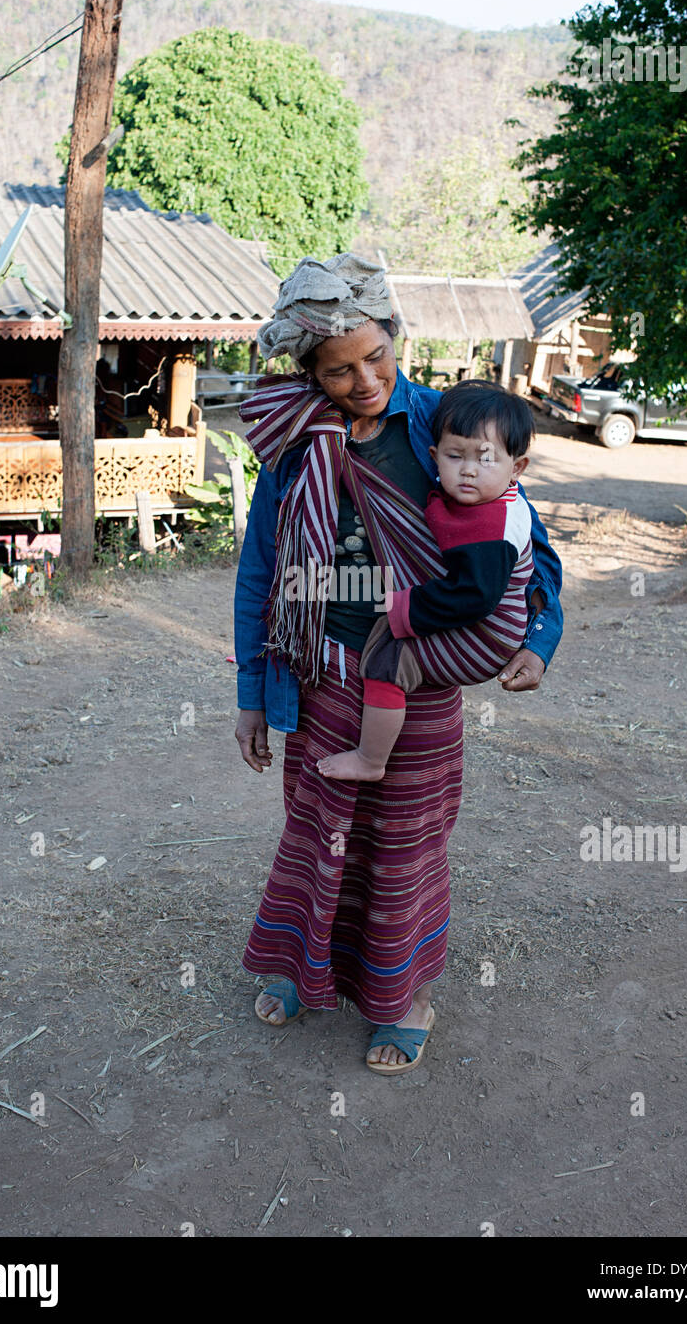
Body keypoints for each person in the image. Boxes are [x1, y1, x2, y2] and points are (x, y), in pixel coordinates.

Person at [234, 253, 563, 1074]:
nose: (363, 379)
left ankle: (402, 996)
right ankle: (305, 972)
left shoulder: (442, 427)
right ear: (308, 370)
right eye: (338, 369)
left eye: (376, 355)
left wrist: (538, 641)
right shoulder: (294, 442)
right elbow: (260, 570)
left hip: (417, 672)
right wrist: (248, 693)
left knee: (402, 841)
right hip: (317, 673)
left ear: (396, 337)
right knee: (319, 835)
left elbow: (530, 541)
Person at [316, 380, 534, 782]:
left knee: (389, 660)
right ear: (434, 456)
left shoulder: (494, 526)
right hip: (479, 621)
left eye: (485, 459)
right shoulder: (485, 499)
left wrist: (404, 608)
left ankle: (371, 760)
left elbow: (476, 595)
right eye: (455, 456)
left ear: (516, 468)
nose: (468, 470)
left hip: (487, 635)